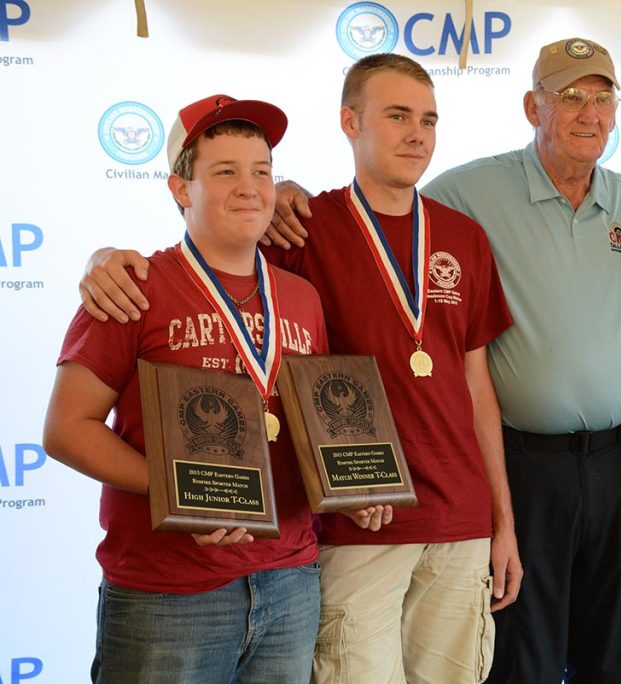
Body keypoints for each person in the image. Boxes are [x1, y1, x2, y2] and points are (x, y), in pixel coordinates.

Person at [79, 40, 621, 683]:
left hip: (596, 474)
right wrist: (113, 255)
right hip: (457, 485)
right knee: (522, 661)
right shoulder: (458, 196)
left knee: (610, 652)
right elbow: (240, 238)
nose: (588, 114)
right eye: (569, 97)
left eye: (603, 98)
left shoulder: (618, 205)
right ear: (534, 107)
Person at [76, 54, 519, 684]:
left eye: (428, 119)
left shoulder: (461, 238)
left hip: (415, 532)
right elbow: (210, 252)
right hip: (328, 542)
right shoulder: (298, 230)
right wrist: (101, 257)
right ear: (349, 122)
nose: (416, 133)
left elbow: (475, 387)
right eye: (397, 115)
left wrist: (503, 522)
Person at [43, 94, 329, 682]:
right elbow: (66, 430)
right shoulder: (130, 287)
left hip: (291, 579)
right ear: (180, 188)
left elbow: (312, 424)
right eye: (225, 171)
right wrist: (179, 492)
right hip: (168, 591)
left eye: (261, 171)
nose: (249, 188)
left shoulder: (300, 297)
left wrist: (354, 482)